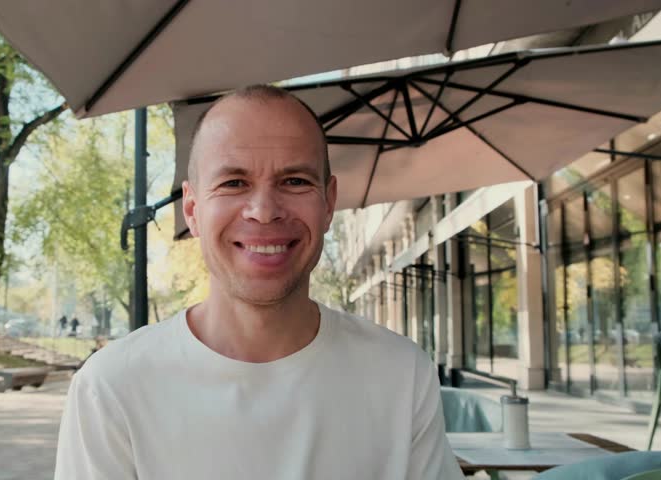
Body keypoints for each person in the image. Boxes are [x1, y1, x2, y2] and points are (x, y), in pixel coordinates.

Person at [55, 85, 464, 479]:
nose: (264, 211)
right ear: (193, 210)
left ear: (329, 203)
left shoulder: (402, 374)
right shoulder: (111, 388)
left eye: (295, 181)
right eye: (234, 183)